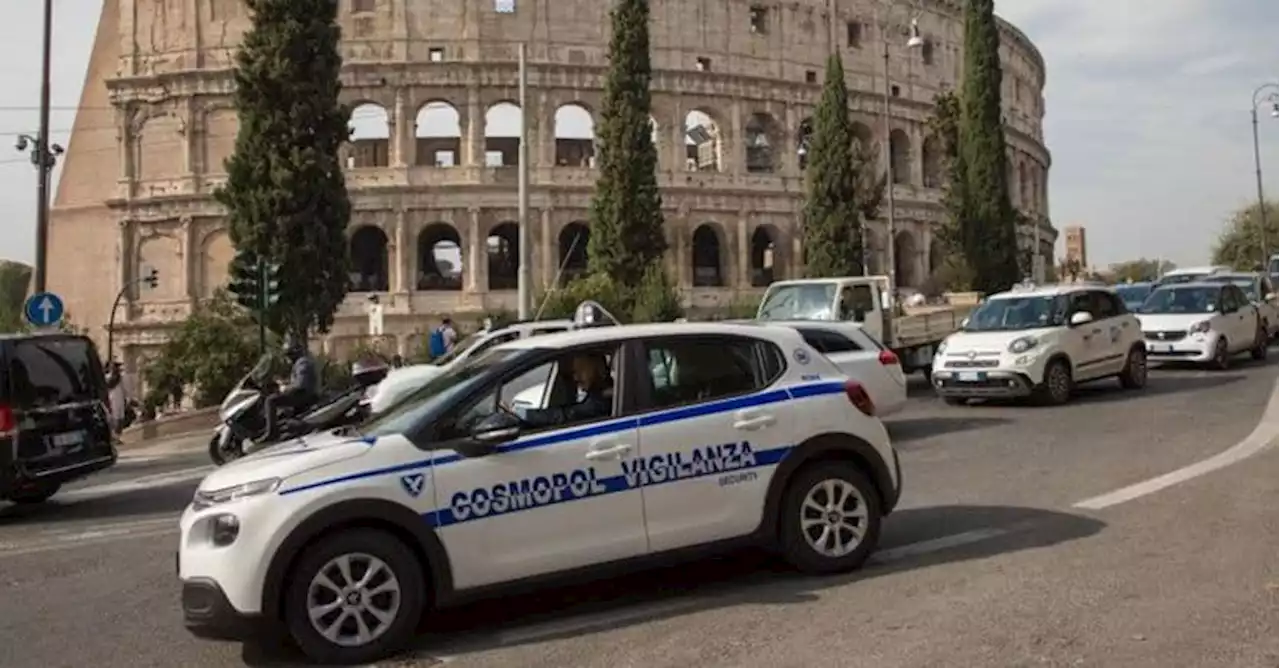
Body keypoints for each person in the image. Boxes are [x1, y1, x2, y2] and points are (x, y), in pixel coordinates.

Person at [518, 353, 613, 428]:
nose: (576, 378)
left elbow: (568, 415)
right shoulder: (597, 393)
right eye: (574, 373)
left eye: (581, 370)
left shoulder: (605, 397)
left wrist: (524, 415)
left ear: (598, 367)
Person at [264, 334, 319, 440]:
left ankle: (271, 433)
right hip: (304, 394)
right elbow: (297, 380)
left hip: (304, 395)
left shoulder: (302, 362)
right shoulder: (300, 363)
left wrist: (286, 388)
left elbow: (301, 384)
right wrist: (283, 382)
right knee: (283, 412)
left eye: (289, 354)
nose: (288, 358)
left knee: (270, 401)